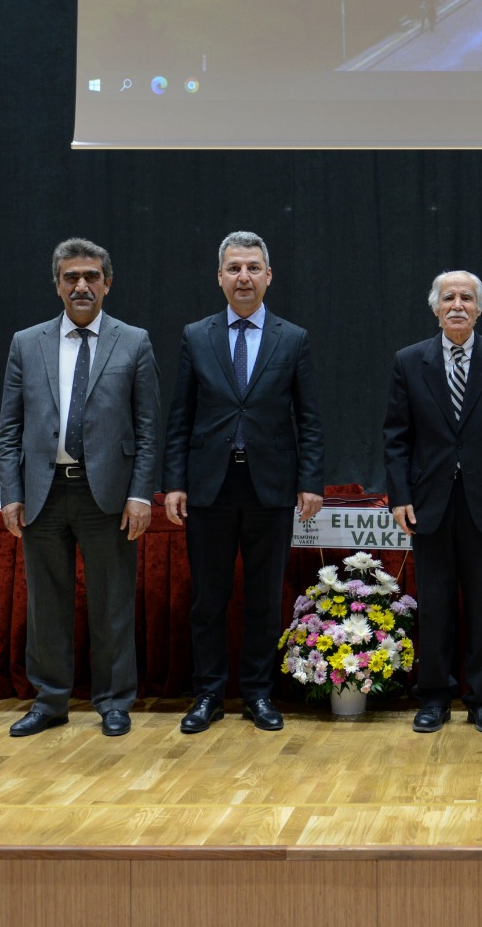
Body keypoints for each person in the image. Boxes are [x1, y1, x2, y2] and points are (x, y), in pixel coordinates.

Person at [163, 231, 325, 735]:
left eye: (253, 267)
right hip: (209, 485)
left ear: (269, 276)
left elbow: (310, 418)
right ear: (219, 277)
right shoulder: (196, 335)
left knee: (262, 597)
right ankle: (208, 694)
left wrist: (311, 481)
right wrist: (174, 483)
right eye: (234, 268)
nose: (244, 277)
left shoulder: (292, 337)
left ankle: (258, 693)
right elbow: (180, 416)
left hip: (270, 487)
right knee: (208, 599)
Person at [0, 238, 159, 738]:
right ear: (57, 285)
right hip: (44, 492)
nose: (82, 286)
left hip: (106, 495)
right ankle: (49, 700)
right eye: (71, 277)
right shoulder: (27, 342)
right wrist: (11, 493)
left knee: (112, 602)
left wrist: (140, 494)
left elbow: (149, 427)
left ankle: (114, 701)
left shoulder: (134, 341)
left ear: (107, 283)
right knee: (46, 604)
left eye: (91, 276)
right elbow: (8, 428)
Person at [384, 271, 482, 733]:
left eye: (466, 298)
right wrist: (400, 497)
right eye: (447, 297)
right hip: (430, 503)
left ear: (479, 308)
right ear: (435, 308)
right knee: (434, 606)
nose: (457, 305)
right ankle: (434, 696)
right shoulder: (409, 362)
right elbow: (396, 438)